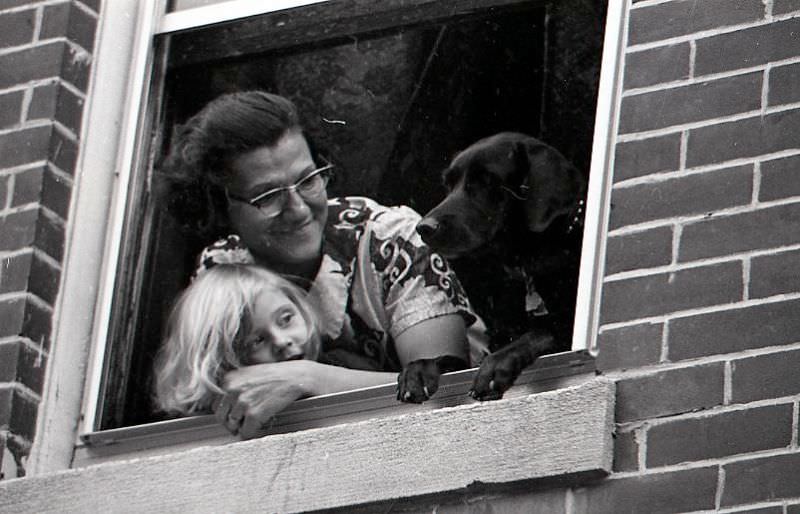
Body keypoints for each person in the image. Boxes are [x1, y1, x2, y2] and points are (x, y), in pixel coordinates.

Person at [161, 90, 487, 439]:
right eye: (268, 196)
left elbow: (452, 398)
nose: (299, 209)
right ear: (220, 207)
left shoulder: (391, 240)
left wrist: (309, 378)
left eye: (308, 179)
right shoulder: (222, 267)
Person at [154, 264, 323, 434]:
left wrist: (311, 376)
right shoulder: (213, 427)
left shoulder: (338, 363)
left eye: (286, 319)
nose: (281, 341)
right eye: (256, 341)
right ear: (222, 365)